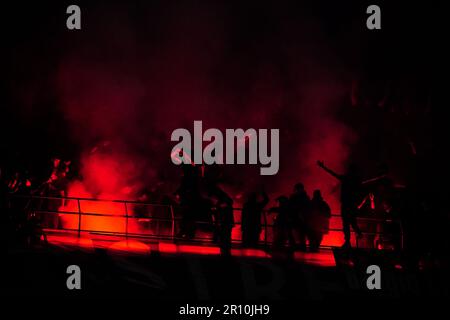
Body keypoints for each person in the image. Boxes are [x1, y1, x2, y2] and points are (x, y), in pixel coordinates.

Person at [317, 160, 363, 248]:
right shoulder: (357, 180)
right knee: (352, 222)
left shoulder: (346, 178)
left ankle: (348, 241)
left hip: (346, 204)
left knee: (346, 223)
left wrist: (323, 167)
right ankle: (357, 234)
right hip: (352, 204)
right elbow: (360, 191)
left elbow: (333, 174)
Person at [289, 183, 310, 251]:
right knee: (301, 234)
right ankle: (301, 247)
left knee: (296, 233)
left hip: (296, 218)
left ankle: (295, 246)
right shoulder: (305, 197)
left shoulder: (294, 197)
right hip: (301, 219)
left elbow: (290, 206)